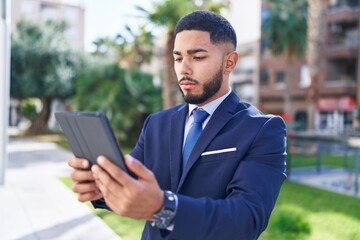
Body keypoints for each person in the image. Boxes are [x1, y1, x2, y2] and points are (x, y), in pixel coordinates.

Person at [68, 10, 287, 240]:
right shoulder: (156, 124)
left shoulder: (263, 129)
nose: (184, 69)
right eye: (178, 58)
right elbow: (134, 188)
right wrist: (101, 187)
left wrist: (163, 207)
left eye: (198, 57)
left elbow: (246, 220)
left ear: (229, 62)